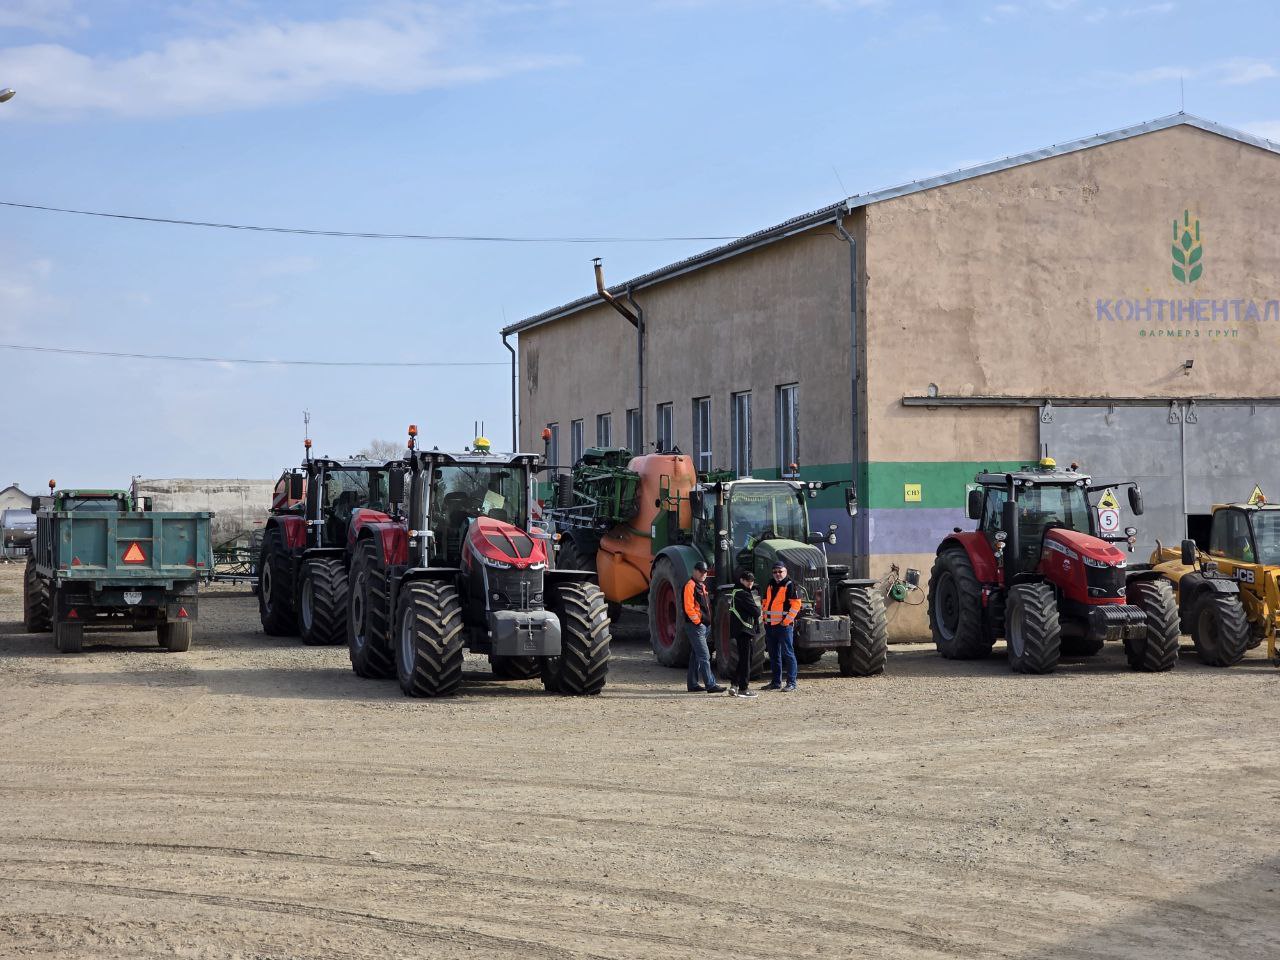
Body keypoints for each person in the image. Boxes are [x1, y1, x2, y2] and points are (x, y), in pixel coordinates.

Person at [683, 561, 725, 693]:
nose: (704, 574)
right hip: (696, 627)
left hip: (703, 627)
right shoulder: (690, 586)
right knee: (704, 655)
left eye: (705, 572)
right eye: (701, 571)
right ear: (695, 571)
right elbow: (689, 608)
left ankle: (692, 684)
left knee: (696, 655)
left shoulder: (701, 586)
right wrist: (698, 622)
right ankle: (710, 685)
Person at [760, 560, 801, 692]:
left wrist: (786, 621)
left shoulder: (790, 584)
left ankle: (791, 683)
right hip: (770, 626)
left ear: (785, 571)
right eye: (775, 572)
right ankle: (776, 682)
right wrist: (765, 619)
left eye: (780, 571)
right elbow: (765, 602)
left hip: (784, 626)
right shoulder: (770, 584)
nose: (777, 574)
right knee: (774, 655)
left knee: (788, 654)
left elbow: (796, 605)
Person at [728, 569, 761, 698]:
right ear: (741, 580)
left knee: (743, 659)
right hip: (745, 630)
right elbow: (756, 612)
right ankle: (743, 688)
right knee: (746, 660)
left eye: (752, 581)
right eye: (747, 580)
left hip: (741, 630)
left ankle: (734, 684)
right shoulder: (743, 594)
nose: (750, 583)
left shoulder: (737, 591)